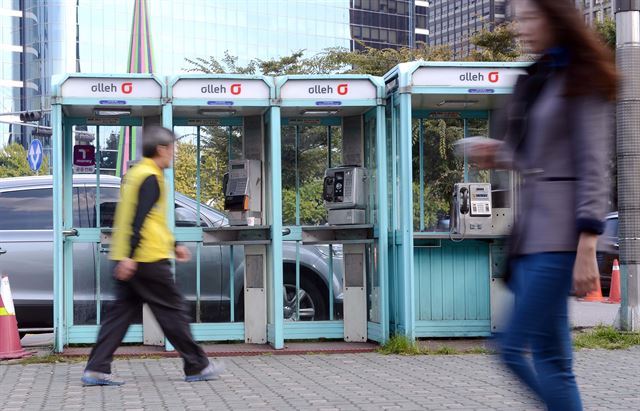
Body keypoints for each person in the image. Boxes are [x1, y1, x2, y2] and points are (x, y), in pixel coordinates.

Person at [469, 1, 617, 410]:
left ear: (555, 19)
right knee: (554, 360)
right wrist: (498, 152)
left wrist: (587, 246)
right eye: (519, 19)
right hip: (532, 237)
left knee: (510, 348)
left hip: (561, 240)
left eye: (531, 18)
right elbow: (537, 159)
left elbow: (593, 168)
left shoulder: (581, 79)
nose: (522, 28)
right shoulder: (540, 79)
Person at [81, 126, 224, 386]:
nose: (175, 154)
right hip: (146, 259)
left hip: (131, 256)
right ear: (161, 149)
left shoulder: (137, 173)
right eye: (173, 148)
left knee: (120, 315)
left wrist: (173, 243)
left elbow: (150, 219)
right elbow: (139, 220)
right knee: (172, 311)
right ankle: (197, 365)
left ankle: (96, 368)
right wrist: (132, 258)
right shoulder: (151, 177)